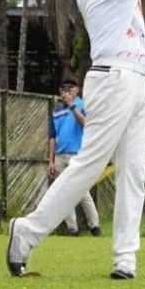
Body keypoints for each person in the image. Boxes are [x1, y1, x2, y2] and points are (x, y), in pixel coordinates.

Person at [8, 0, 145, 280]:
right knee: (89, 165)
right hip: (114, 77)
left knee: (134, 172)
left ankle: (125, 258)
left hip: (136, 77)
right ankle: (26, 232)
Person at [47, 78, 101, 237]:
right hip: (59, 156)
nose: (66, 91)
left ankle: (94, 225)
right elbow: (52, 136)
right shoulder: (56, 109)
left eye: (70, 88)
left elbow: (85, 123)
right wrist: (51, 160)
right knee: (63, 192)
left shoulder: (83, 105)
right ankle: (72, 228)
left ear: (77, 90)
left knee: (82, 190)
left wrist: (72, 105)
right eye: (63, 88)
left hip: (77, 154)